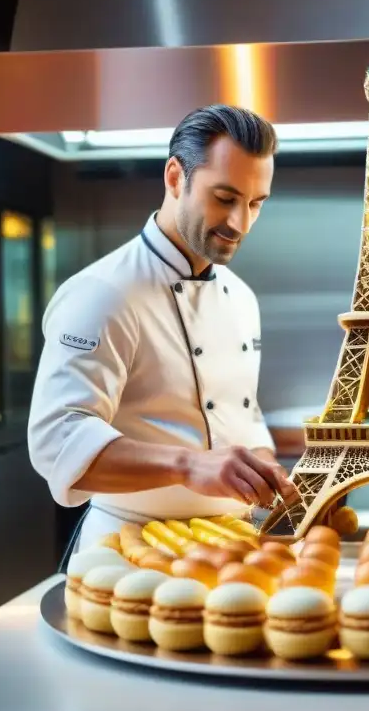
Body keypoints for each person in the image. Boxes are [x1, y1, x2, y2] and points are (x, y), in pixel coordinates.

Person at [28, 104, 296, 558]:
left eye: (256, 203)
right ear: (175, 177)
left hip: (232, 547)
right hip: (129, 548)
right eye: (224, 198)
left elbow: (240, 417)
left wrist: (266, 469)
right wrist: (187, 465)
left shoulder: (242, 298)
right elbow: (58, 440)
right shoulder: (103, 292)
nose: (241, 224)